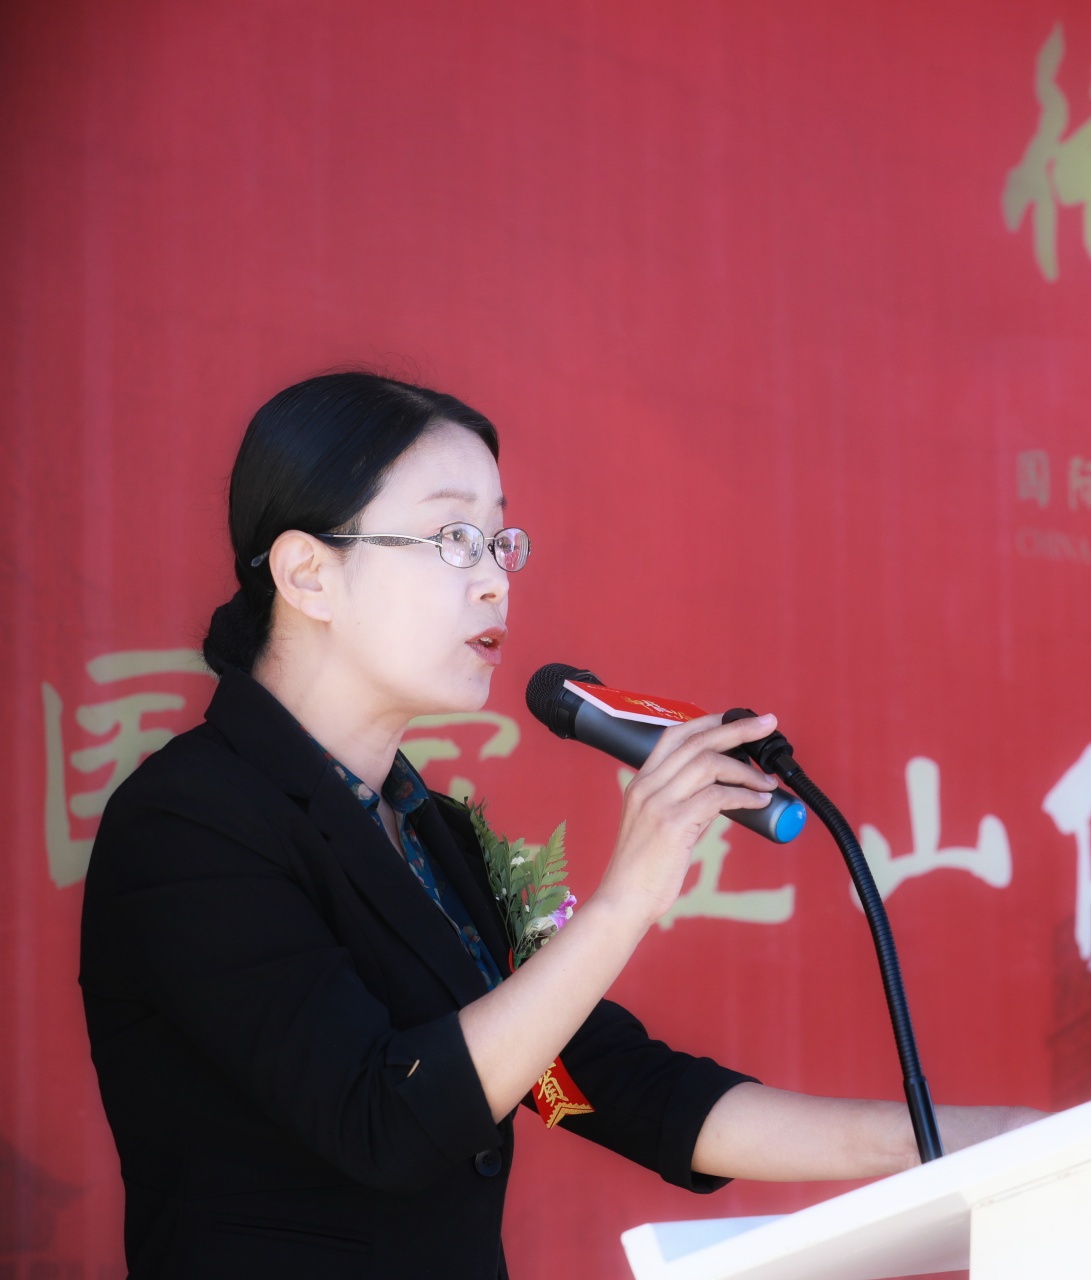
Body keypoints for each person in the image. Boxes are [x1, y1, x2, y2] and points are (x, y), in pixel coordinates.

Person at [79, 372, 1038, 1279]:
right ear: (308, 573)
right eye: (454, 538)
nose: (496, 580)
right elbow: (385, 1118)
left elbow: (606, 1084)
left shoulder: (433, 838)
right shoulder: (187, 822)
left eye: (502, 542)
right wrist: (626, 901)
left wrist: (979, 1143)